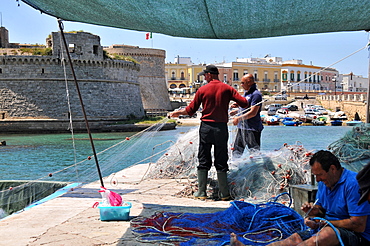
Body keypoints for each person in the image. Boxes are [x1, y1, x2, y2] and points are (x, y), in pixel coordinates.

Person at [168, 65, 249, 201]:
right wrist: (232, 103)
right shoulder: (228, 89)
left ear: (210, 75)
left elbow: (190, 110)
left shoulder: (202, 90)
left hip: (206, 128)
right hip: (221, 128)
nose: (204, 78)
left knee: (204, 157)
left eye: (205, 75)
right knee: (221, 157)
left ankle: (201, 192)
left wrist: (177, 113)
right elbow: (245, 103)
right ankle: (224, 193)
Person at [267, 150, 370, 246]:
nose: (318, 179)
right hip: (327, 227)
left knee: (324, 235)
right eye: (315, 175)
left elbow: (358, 225)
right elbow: (321, 209)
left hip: (357, 235)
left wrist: (324, 223)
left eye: (320, 175)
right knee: (294, 239)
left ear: (332, 169)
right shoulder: (324, 183)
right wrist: (314, 212)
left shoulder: (353, 184)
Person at [229, 74, 263, 157]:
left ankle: (256, 169)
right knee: (236, 152)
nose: (241, 85)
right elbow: (246, 108)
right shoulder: (246, 93)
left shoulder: (256, 94)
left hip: (252, 128)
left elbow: (253, 112)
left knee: (254, 153)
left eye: (242, 83)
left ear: (249, 82)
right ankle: (235, 168)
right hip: (242, 128)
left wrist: (238, 118)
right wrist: (237, 110)